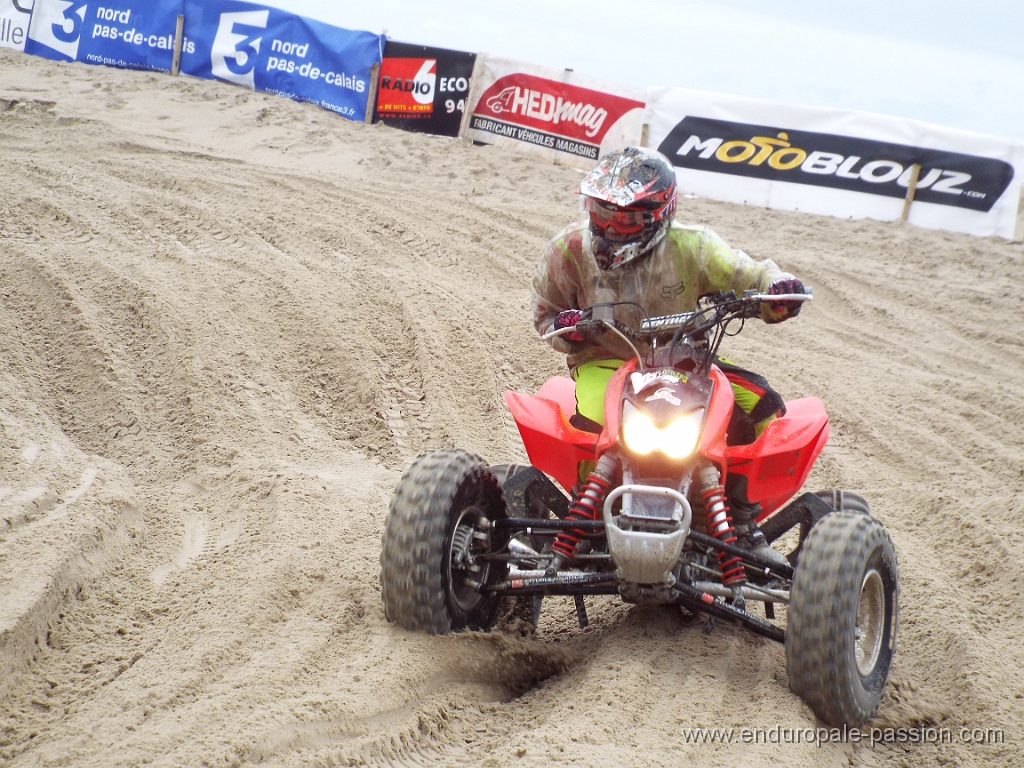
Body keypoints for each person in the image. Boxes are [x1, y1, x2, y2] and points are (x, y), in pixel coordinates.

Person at [531, 146, 805, 565]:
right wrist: (566, 325)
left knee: (765, 406)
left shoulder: (694, 247)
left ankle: (741, 521)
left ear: (659, 213)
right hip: (605, 359)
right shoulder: (568, 249)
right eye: (602, 212)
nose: (610, 225)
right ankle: (586, 518)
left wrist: (779, 289)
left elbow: (753, 274)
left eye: (624, 217)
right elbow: (544, 315)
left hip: (685, 362)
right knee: (595, 424)